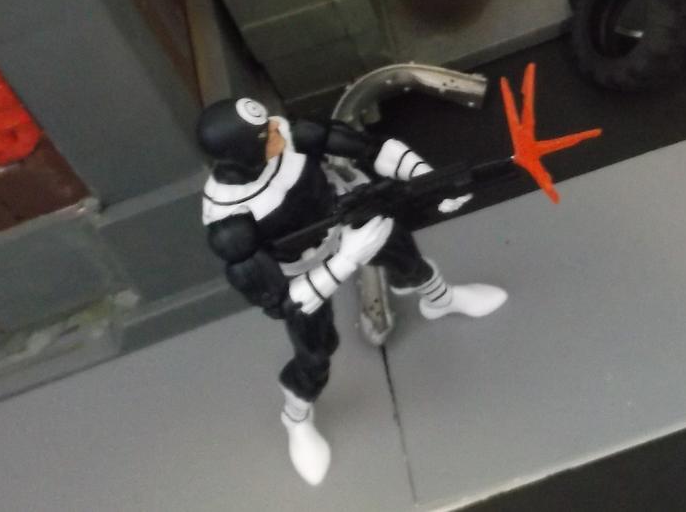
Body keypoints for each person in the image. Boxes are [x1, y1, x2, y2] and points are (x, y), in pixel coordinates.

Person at [197, 97, 505, 485]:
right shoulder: (229, 221)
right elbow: (279, 303)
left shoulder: (293, 136)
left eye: (270, 123)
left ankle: (440, 300)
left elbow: (370, 149)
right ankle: (296, 418)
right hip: (302, 272)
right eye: (264, 134)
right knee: (315, 354)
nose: (277, 128)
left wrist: (429, 178)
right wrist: (346, 260)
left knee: (408, 260)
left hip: (349, 218)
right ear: (241, 153)